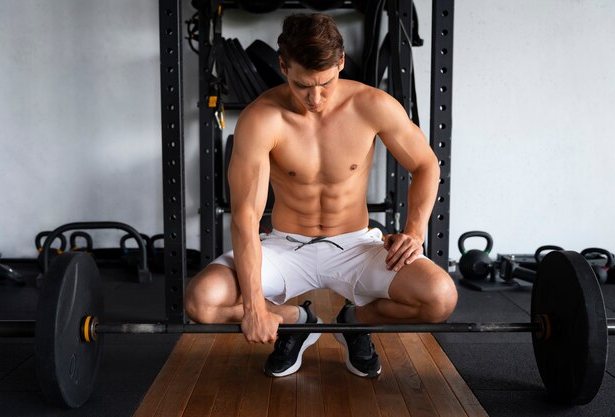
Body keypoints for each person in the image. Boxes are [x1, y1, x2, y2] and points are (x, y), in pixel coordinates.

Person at [185, 13, 457, 378]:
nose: (315, 97)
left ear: (341, 62)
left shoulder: (372, 106)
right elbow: (246, 216)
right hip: (284, 247)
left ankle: (354, 322)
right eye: (302, 86)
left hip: (356, 247)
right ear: (283, 66)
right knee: (200, 302)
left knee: (440, 297)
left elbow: (426, 165)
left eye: (326, 83)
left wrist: (415, 232)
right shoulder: (262, 118)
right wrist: (254, 308)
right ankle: (298, 321)